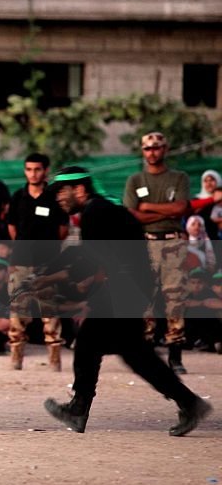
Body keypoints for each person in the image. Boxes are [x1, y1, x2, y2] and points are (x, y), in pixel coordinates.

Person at [41, 166, 211, 437]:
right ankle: (189, 403)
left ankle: (78, 407)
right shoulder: (103, 209)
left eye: (62, 191)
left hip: (124, 286)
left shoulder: (95, 212)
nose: (59, 198)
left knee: (90, 343)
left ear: (80, 189)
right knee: (134, 353)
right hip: (132, 285)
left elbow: (91, 262)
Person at [123, 132, 191, 374]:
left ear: (165, 149)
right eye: (147, 148)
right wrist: (167, 212)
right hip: (146, 243)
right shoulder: (135, 180)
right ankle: (146, 354)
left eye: (156, 148)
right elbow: (133, 214)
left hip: (172, 244)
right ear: (142, 151)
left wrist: (149, 207)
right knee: (145, 299)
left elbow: (181, 208)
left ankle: (175, 356)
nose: (152, 152)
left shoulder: (178, 177)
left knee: (175, 298)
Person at [5, 153, 69, 371]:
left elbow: (63, 230)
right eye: (29, 169)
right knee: (17, 313)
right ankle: (16, 358)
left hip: (47, 264)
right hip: (21, 262)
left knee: (50, 312)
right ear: (25, 171)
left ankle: (54, 359)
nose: (33, 174)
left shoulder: (55, 198)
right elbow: (12, 228)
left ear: (46, 171)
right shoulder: (17, 197)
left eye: (38, 169)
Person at [191, 170, 222, 240]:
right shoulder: (197, 200)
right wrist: (212, 200)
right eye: (206, 181)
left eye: (212, 180)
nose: (209, 183)